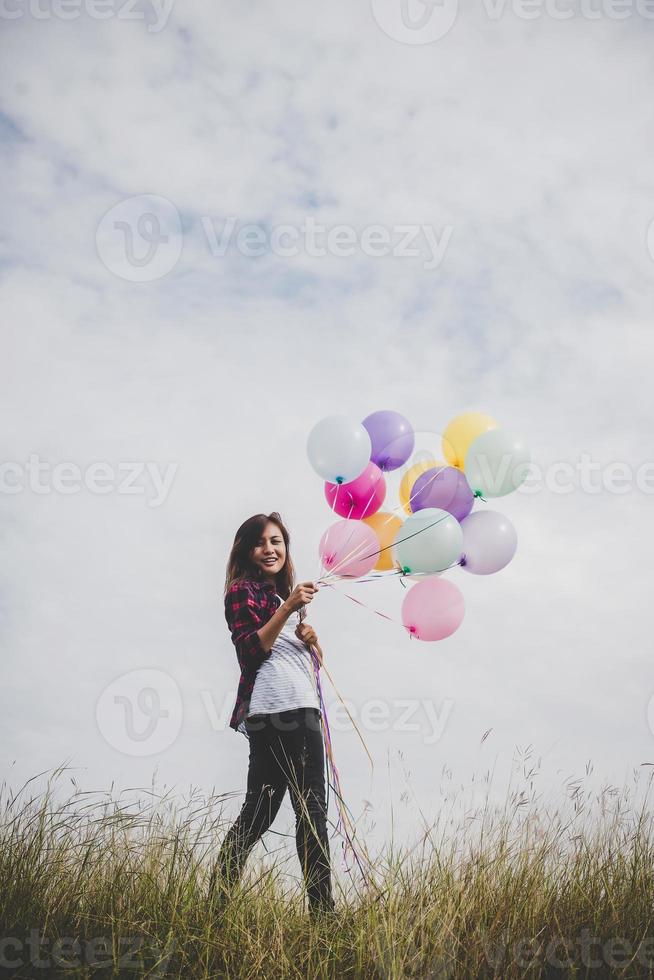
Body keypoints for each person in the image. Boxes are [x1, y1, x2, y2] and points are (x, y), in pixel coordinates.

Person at [210, 511, 336, 920]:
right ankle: (323, 916)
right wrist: (288, 611)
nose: (270, 549)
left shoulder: (282, 600)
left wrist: (313, 643)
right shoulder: (241, 591)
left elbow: (307, 666)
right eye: (262, 542)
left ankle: (216, 906)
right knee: (312, 809)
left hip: (292, 708)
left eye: (277, 541)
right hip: (285, 711)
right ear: (247, 550)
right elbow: (250, 650)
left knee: (259, 813)